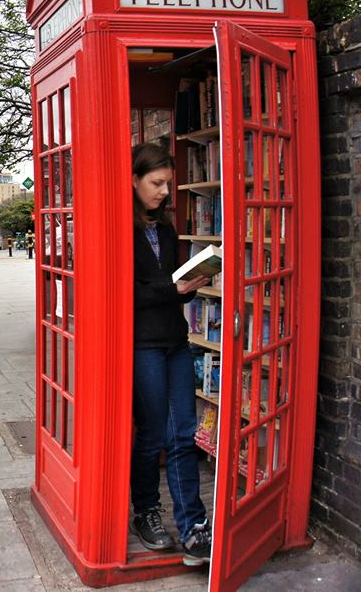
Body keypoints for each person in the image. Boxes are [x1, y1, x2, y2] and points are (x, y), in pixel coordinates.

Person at [130, 142, 212, 566]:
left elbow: (171, 285)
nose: (164, 191)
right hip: (141, 343)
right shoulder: (119, 229)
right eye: (157, 183)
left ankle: (194, 526)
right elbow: (123, 293)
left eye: (168, 183)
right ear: (134, 180)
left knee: (183, 434)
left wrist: (192, 281)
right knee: (153, 433)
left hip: (175, 340)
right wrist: (171, 289)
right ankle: (145, 510)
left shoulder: (165, 229)